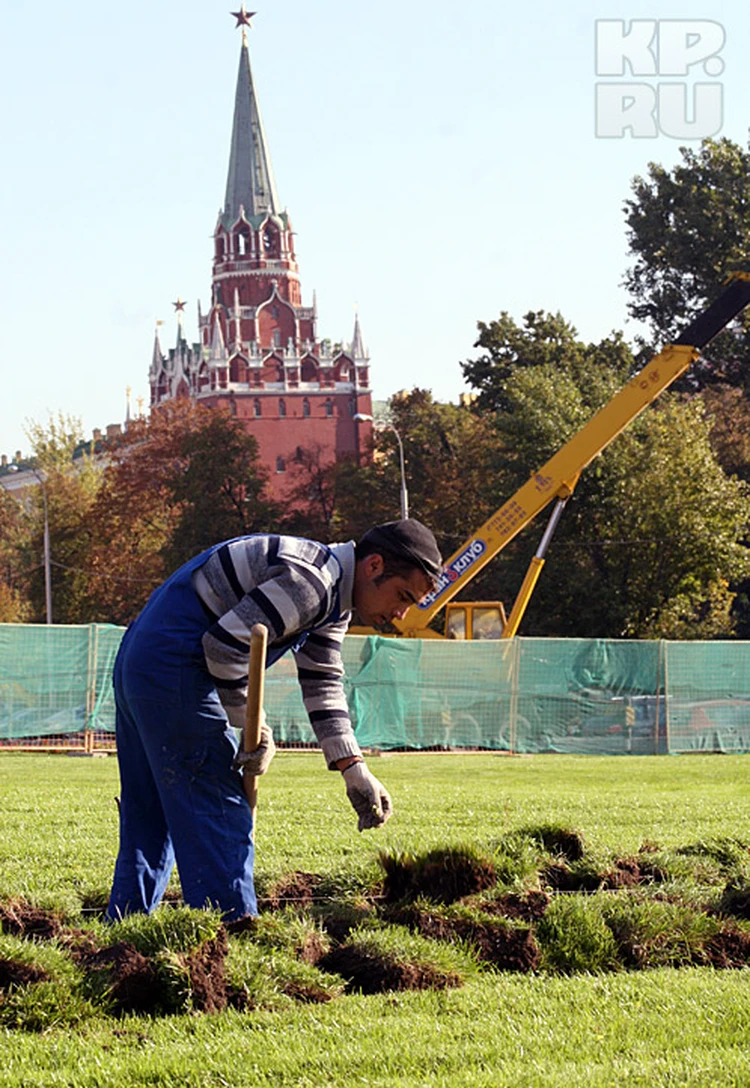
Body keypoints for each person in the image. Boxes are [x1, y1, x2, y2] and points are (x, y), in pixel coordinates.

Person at [106, 519, 442, 922]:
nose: (401, 613)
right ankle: (230, 935)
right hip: (172, 663)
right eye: (402, 596)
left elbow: (323, 683)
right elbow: (224, 648)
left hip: (141, 658)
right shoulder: (311, 584)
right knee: (219, 809)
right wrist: (255, 726)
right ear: (374, 566)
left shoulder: (333, 598)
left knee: (152, 814)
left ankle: (123, 935)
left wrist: (355, 770)